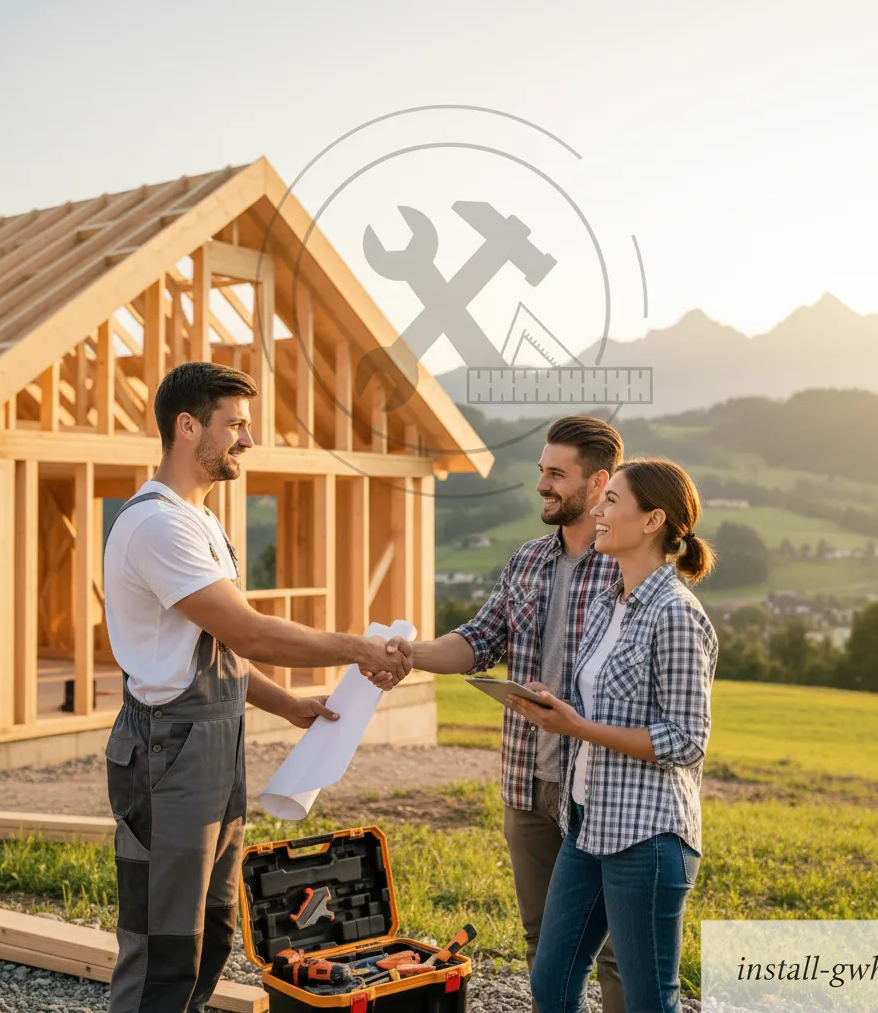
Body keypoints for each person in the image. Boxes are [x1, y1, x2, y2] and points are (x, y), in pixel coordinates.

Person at [102, 362, 412, 1013]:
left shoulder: (200, 520)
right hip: (167, 756)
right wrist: (359, 647)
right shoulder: (157, 525)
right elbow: (250, 633)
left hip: (213, 749)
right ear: (188, 428)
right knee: (163, 946)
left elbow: (213, 651)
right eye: (236, 425)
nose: (248, 440)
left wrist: (289, 706)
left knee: (211, 932)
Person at [410, 415, 627, 1012]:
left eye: (557, 474)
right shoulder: (527, 561)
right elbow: (478, 640)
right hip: (526, 781)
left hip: (602, 785)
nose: (542, 485)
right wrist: (407, 655)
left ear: (598, 481)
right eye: (541, 472)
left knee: (616, 952)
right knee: (543, 938)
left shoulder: (630, 565)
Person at [510, 458, 719, 1013]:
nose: (597, 513)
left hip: (647, 838)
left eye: (611, 502)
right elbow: (600, 704)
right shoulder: (609, 603)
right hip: (588, 824)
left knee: (650, 1000)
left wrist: (577, 727)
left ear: (652, 521)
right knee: (550, 983)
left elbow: (685, 740)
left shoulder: (676, 614)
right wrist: (554, 706)